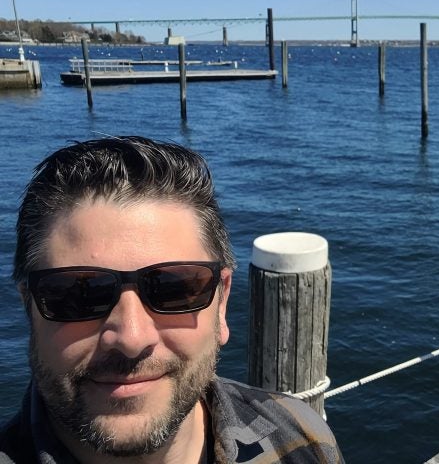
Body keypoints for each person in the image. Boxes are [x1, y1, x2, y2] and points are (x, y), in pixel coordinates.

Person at [1, 136, 344, 464]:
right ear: (29, 307)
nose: (132, 339)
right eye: (80, 293)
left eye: (174, 288)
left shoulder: (303, 440)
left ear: (221, 304)